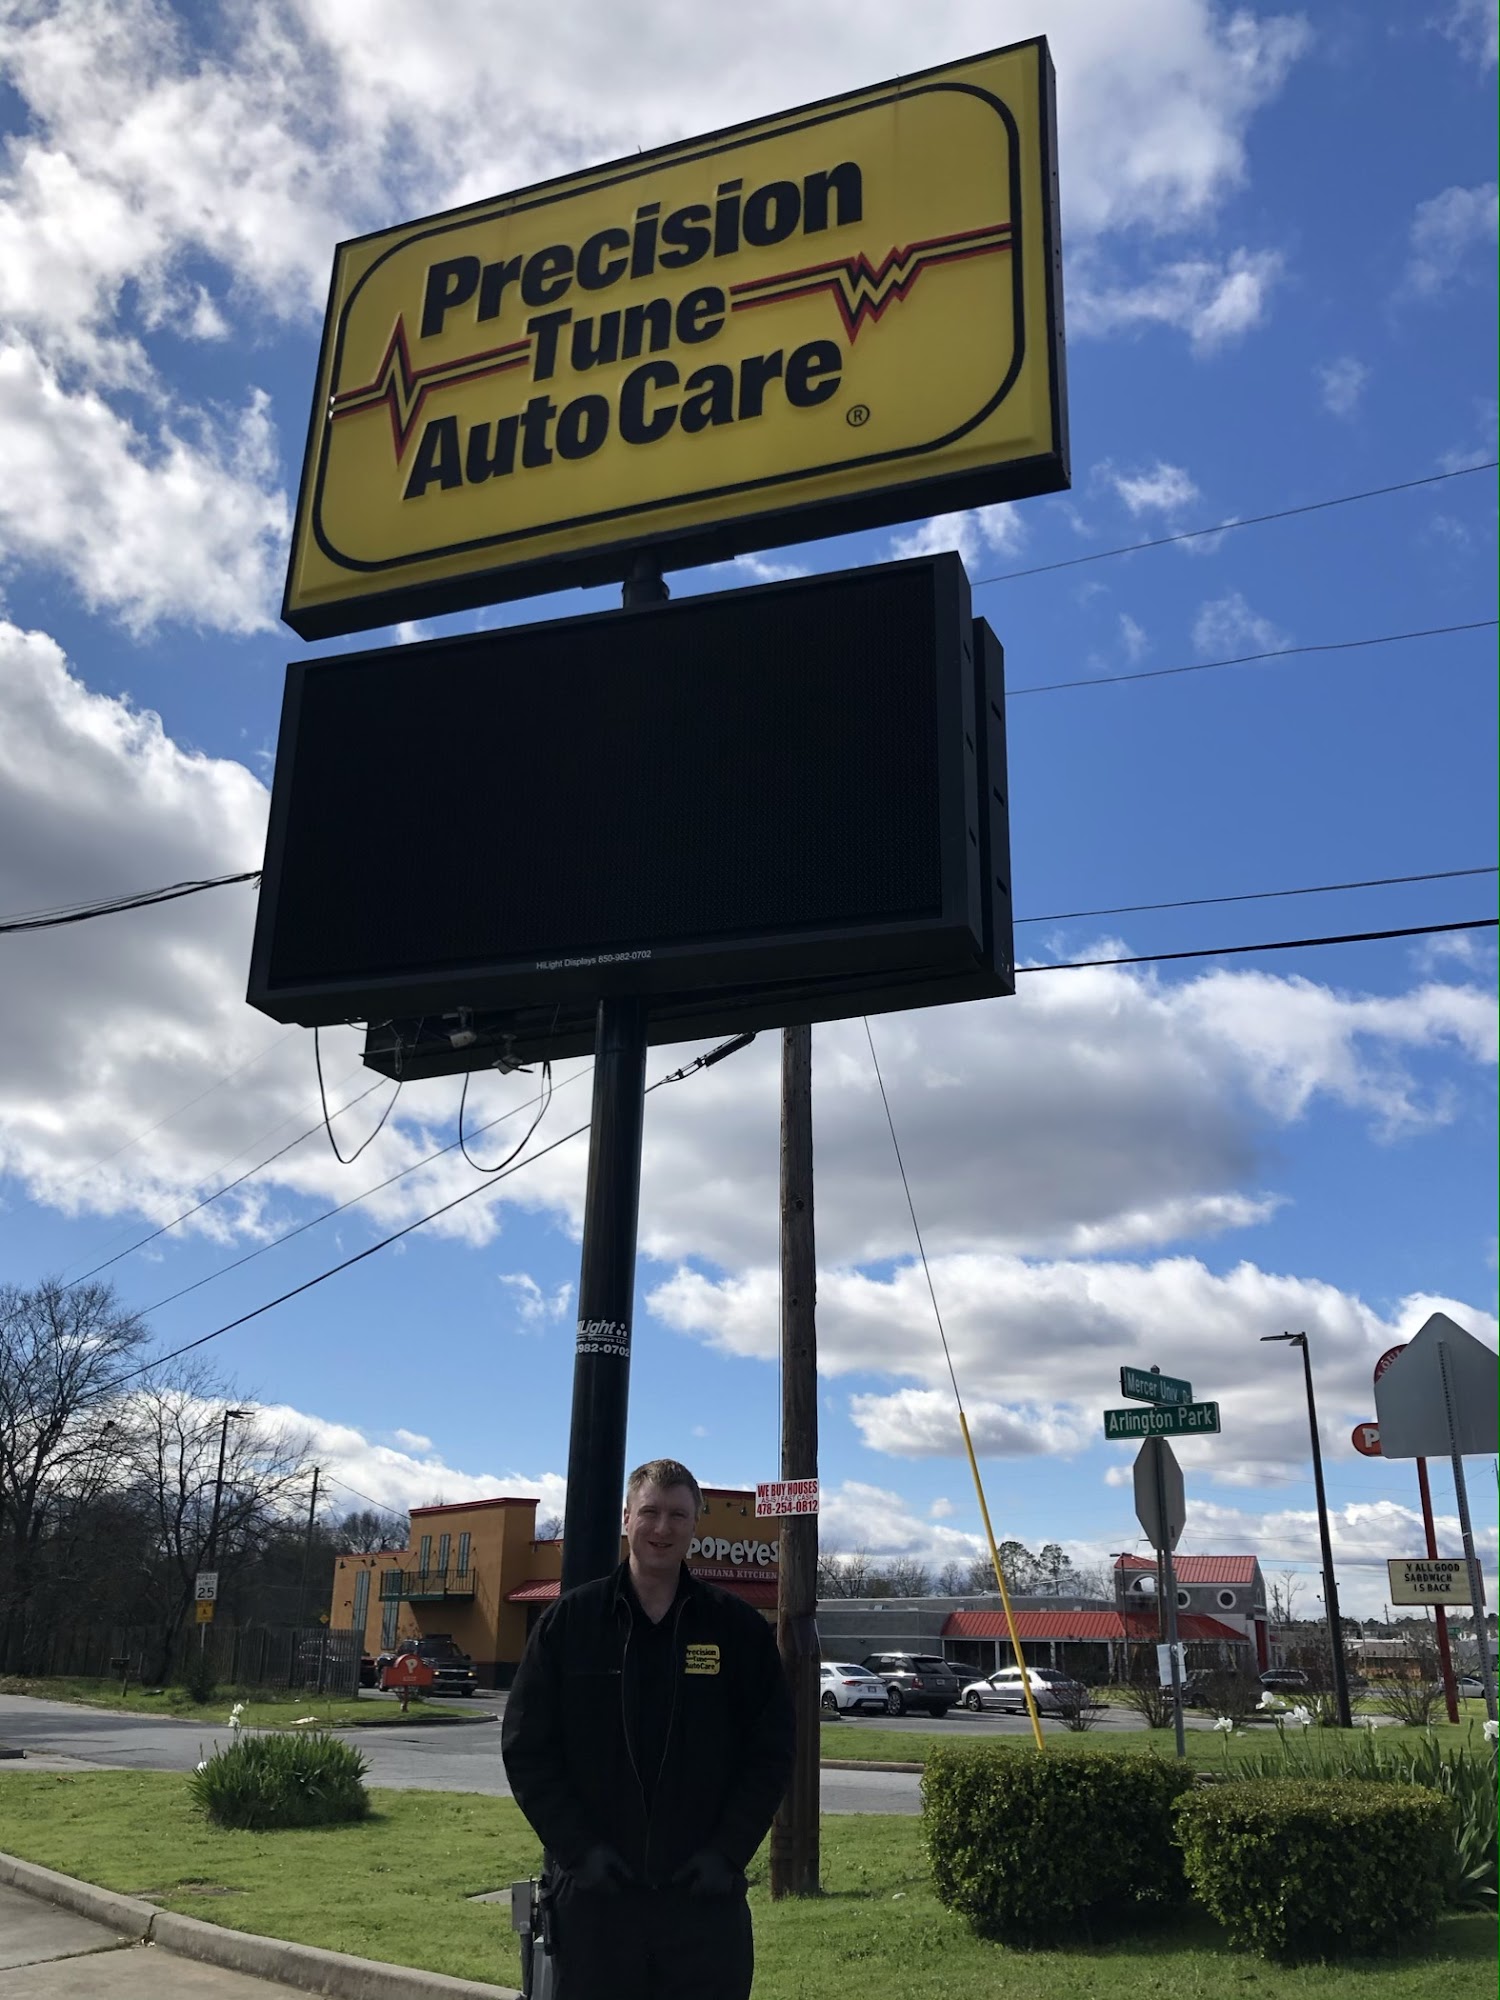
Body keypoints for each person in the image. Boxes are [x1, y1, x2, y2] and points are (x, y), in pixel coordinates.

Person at [502, 1458, 795, 1999]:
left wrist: (727, 1854)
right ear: (626, 1518)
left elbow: (771, 1751)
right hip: (597, 1905)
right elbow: (527, 1749)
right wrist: (579, 1852)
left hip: (703, 1903)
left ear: (695, 1524)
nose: (663, 1528)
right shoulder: (570, 1624)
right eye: (650, 1512)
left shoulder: (737, 1630)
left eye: (678, 1515)